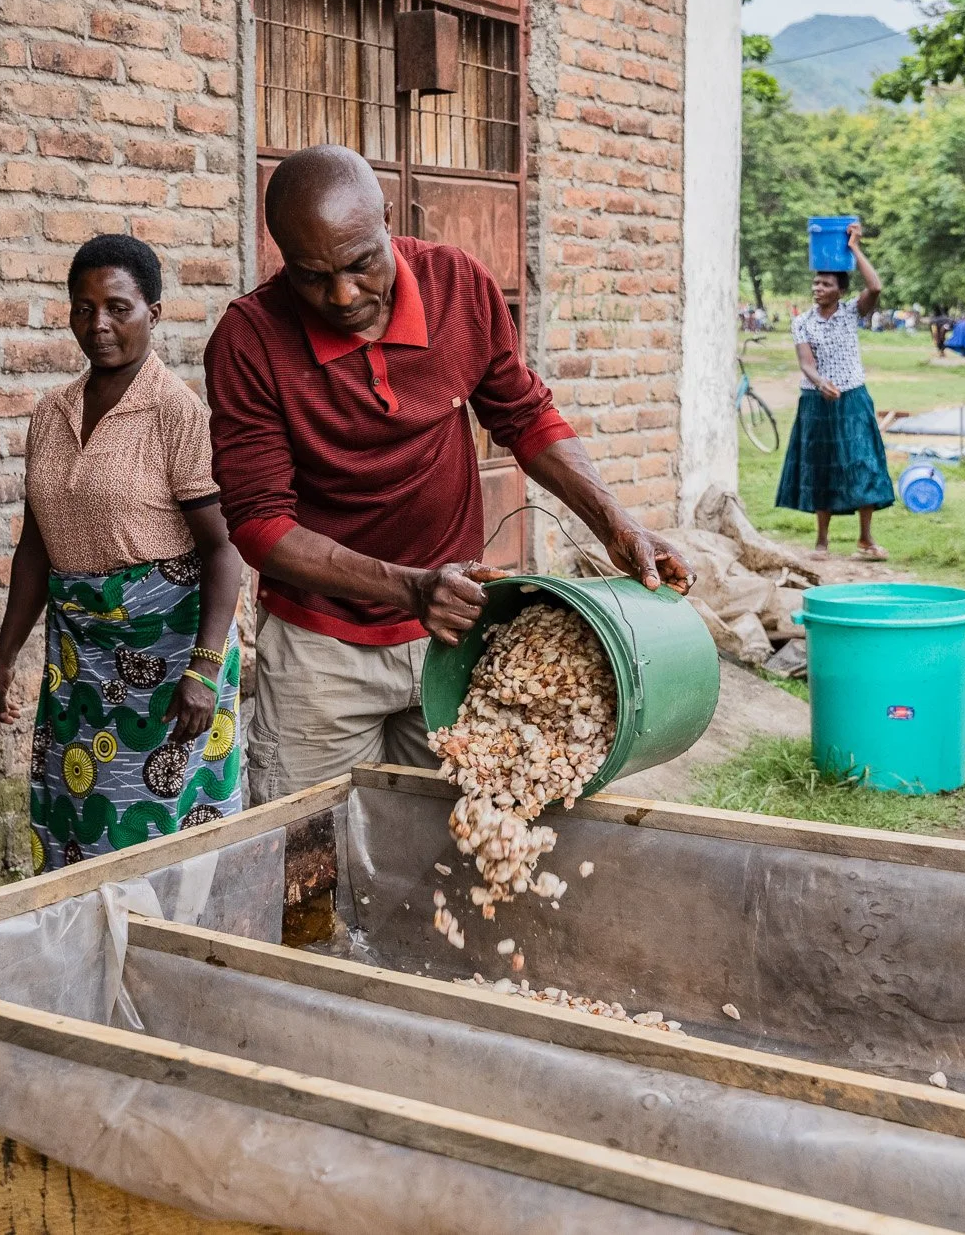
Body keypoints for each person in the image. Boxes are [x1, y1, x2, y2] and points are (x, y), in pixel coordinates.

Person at [205, 145, 690, 803]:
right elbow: (260, 526)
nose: (343, 294)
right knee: (310, 858)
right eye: (312, 276)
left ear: (390, 224)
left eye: (360, 263)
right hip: (321, 650)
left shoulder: (459, 286)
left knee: (450, 847)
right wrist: (410, 588)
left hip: (453, 635)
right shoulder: (250, 338)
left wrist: (615, 521)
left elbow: (524, 417)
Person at [0, 235, 245, 864]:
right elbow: (35, 549)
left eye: (117, 307)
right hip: (80, 656)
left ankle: (171, 954)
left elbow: (223, 551)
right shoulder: (51, 414)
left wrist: (204, 669)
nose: (98, 325)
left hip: (172, 657)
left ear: (154, 310)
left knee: (159, 838)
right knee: (73, 815)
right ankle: (90, 956)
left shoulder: (176, 414)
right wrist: (3, 659)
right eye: (83, 308)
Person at [776, 223, 894, 561]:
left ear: (839, 291)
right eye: (816, 282)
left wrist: (854, 248)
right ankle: (822, 542)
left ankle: (865, 540)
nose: (818, 288)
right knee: (822, 465)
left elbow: (876, 286)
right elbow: (805, 362)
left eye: (826, 284)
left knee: (863, 463)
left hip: (853, 397)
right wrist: (819, 382)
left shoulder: (850, 314)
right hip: (816, 402)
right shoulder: (802, 322)